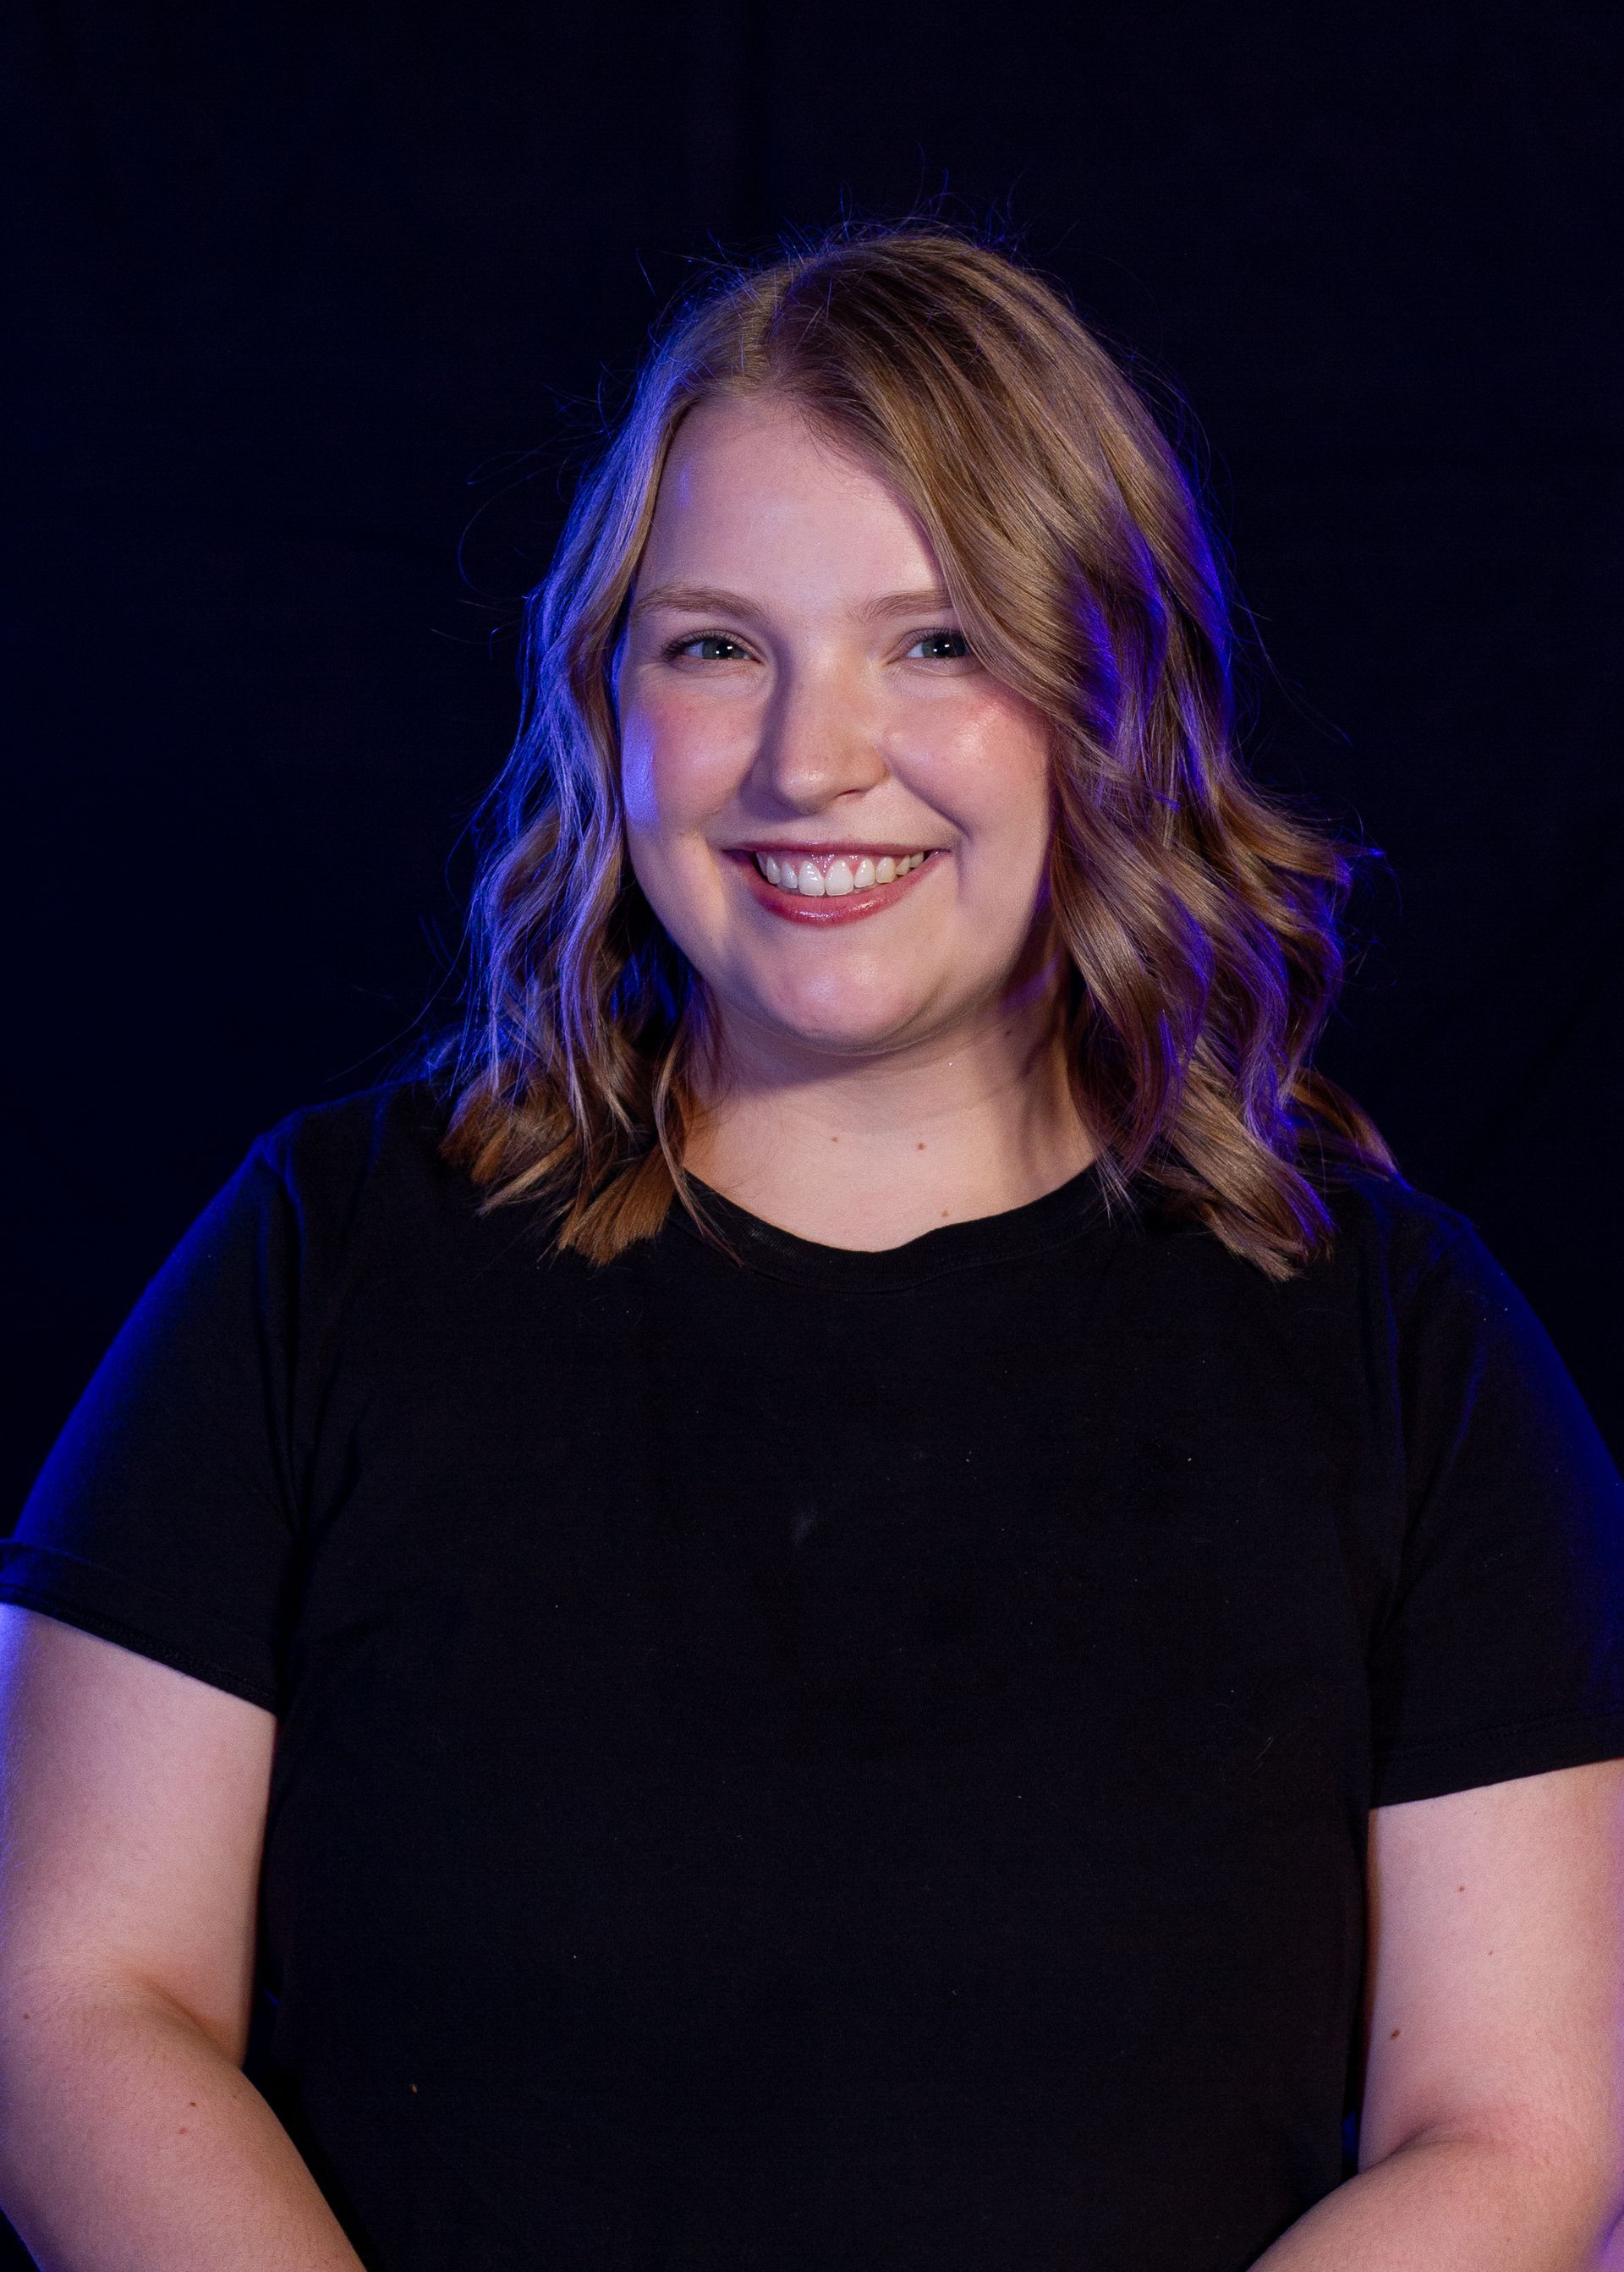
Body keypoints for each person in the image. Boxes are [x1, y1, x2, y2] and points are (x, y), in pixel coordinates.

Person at [1, 223, 1621, 2272]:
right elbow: (71, 2009)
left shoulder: (1406, 1350)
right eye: (715, 646)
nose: (809, 762)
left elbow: (1522, 2136)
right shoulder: (318, 1266)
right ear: (603, 696)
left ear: (1112, 697)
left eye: (935, 642)